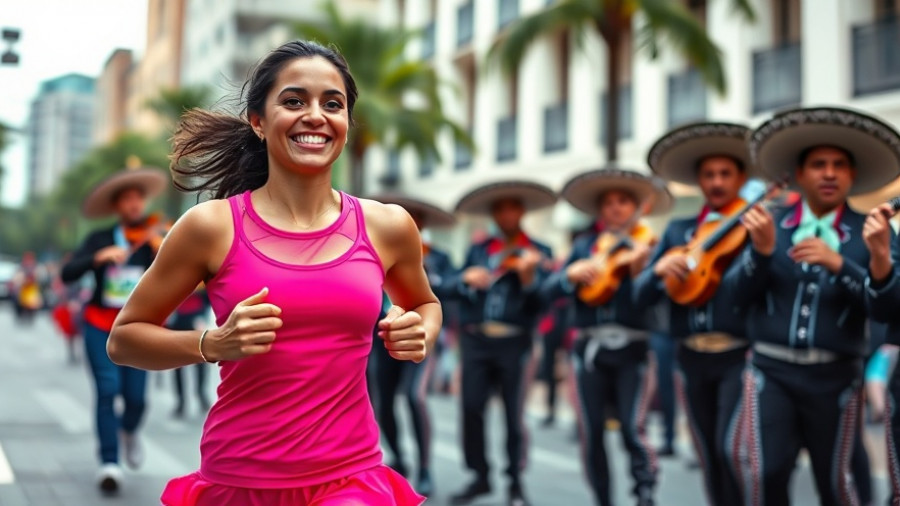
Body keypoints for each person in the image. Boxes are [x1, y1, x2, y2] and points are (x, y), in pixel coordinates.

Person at [106, 40, 439, 506]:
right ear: (258, 122)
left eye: (333, 104)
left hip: (349, 477)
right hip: (239, 477)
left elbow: (425, 303)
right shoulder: (211, 226)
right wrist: (211, 344)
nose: (316, 116)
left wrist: (419, 329)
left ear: (346, 123)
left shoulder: (388, 225)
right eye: (294, 101)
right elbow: (124, 340)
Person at [727, 106, 900, 506]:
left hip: (837, 377)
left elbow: (887, 310)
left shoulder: (872, 229)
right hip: (771, 371)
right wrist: (763, 252)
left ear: (852, 175)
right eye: (818, 164)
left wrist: (846, 265)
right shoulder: (769, 223)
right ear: (800, 174)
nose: (829, 173)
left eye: (839, 165)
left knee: (836, 483)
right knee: (764, 472)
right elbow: (735, 298)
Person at [633, 122, 758, 506]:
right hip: (690, 355)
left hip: (739, 355)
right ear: (699, 181)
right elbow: (639, 295)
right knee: (706, 452)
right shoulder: (679, 231)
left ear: (741, 178)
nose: (717, 182)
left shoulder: (754, 228)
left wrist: (763, 249)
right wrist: (656, 272)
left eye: (726, 174)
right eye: (709, 175)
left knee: (730, 450)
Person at [543, 167, 672, 506]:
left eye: (624, 201)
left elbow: (660, 300)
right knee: (591, 432)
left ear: (637, 208)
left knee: (633, 429)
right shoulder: (585, 246)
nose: (616, 208)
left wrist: (643, 275)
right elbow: (547, 291)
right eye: (609, 203)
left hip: (634, 349)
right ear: (600, 211)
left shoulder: (653, 247)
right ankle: (602, 499)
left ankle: (645, 494)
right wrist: (568, 276)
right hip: (590, 349)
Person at [60, 166, 169, 493]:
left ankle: (129, 431)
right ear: (117, 206)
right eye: (126, 200)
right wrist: (97, 257)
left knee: (136, 398)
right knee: (107, 391)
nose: (134, 205)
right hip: (99, 325)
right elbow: (68, 274)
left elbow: (179, 279)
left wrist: (162, 253)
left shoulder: (156, 240)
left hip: (138, 327)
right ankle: (109, 462)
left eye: (138, 199)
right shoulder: (100, 239)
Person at [447, 180, 555, 506]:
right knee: (470, 407)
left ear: (521, 211)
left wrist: (528, 277)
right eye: (500, 209)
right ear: (494, 214)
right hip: (477, 341)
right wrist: (466, 279)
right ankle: (480, 475)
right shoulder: (478, 250)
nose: (506, 214)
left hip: (515, 343)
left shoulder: (539, 252)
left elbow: (545, 300)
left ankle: (515, 480)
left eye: (512, 207)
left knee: (513, 414)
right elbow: (450, 286)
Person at [367, 193, 458, 497]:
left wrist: (427, 275)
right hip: (380, 338)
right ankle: (399, 458)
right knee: (383, 401)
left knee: (415, 398)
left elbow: (450, 290)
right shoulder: (374, 251)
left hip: (419, 340)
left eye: (413, 219)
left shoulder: (438, 258)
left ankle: (425, 467)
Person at [168, 285, 212, 418]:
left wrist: (204, 315)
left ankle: (201, 393)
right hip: (177, 317)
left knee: (202, 358)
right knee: (177, 364)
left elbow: (210, 291)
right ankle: (181, 401)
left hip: (197, 315)